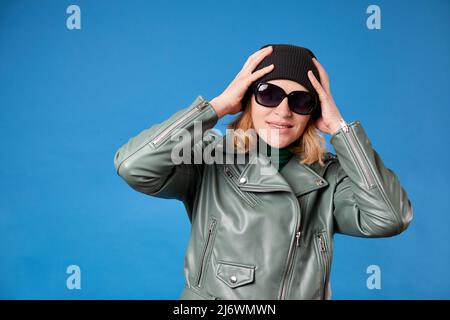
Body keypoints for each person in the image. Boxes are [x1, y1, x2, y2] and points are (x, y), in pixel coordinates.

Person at [113, 44, 413, 300]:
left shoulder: (329, 176)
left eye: (301, 101)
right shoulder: (209, 157)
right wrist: (215, 107)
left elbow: (391, 217)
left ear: (315, 111)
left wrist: (340, 128)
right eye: (269, 94)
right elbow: (133, 166)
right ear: (246, 99)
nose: (284, 112)